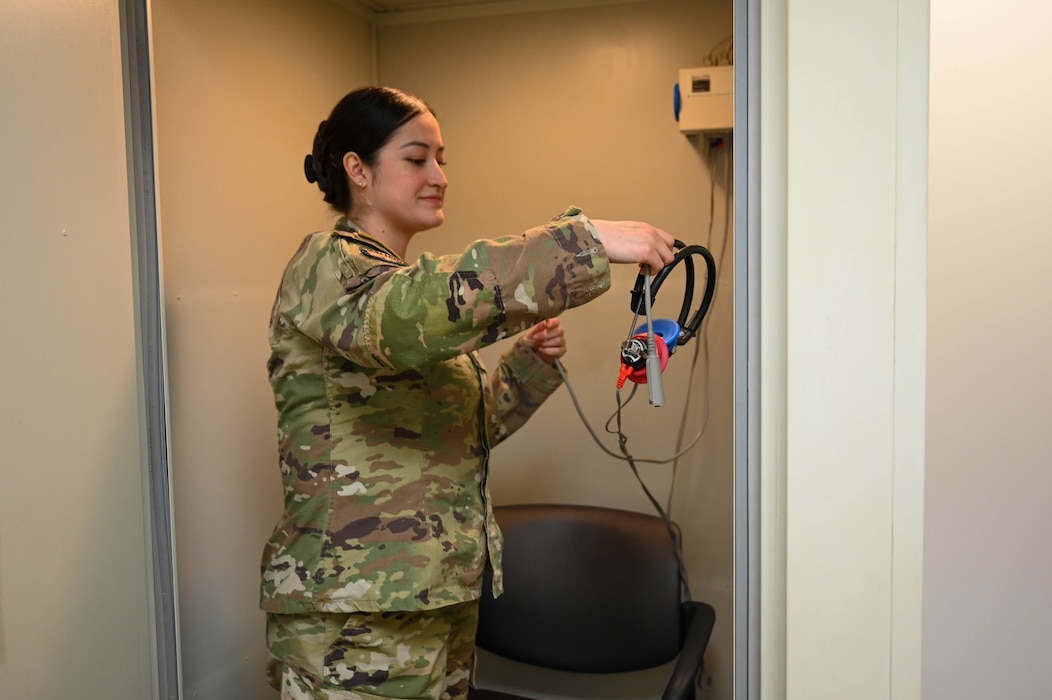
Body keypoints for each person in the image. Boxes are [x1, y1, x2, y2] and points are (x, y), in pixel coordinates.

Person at [261, 85, 676, 700]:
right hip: (355, 620)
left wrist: (526, 366)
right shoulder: (330, 265)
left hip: (432, 599)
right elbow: (409, 314)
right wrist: (580, 243)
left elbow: (457, 436)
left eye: (442, 159)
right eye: (416, 158)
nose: (439, 176)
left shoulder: (398, 289)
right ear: (358, 170)